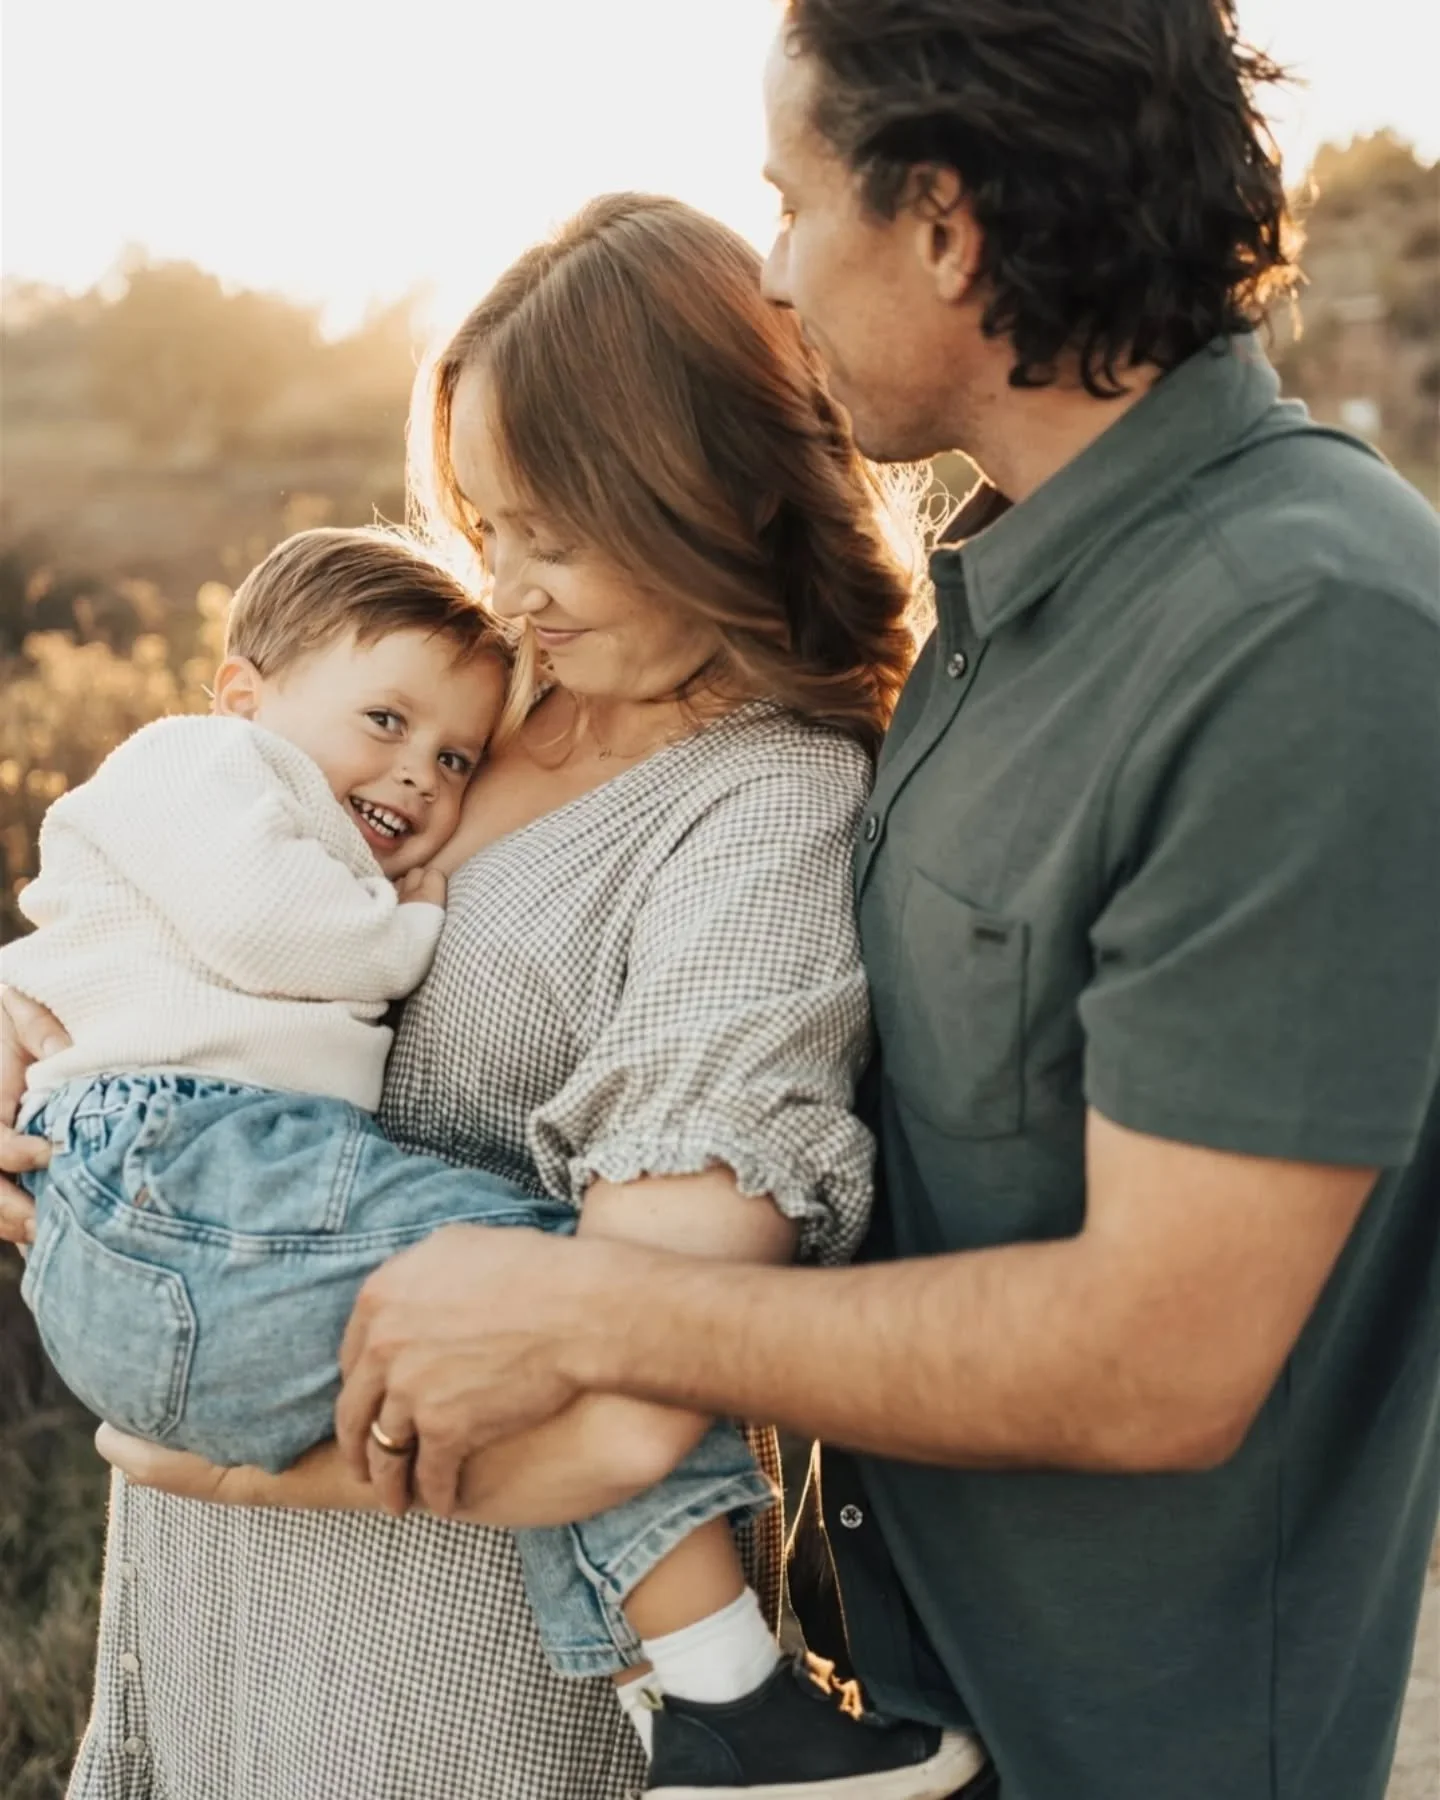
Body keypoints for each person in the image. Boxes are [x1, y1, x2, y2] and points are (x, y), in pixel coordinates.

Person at [208, 8, 1436, 1800]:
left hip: (1127, 1743)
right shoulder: (988, 622)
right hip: (906, 1697)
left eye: (790, 203)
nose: (771, 274)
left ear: (942, 222)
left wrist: (573, 1314)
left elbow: (1164, 1362)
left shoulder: (1314, 633)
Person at [0, 196, 990, 1800]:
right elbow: (191, 883)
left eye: (551, 527)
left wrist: (228, 1469)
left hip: (445, 1676)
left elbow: (634, 1352)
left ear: (709, 491)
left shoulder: (764, 808)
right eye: (483, 515)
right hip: (204, 1612)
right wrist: (37, 1014)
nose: (505, 580)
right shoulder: (475, 687)